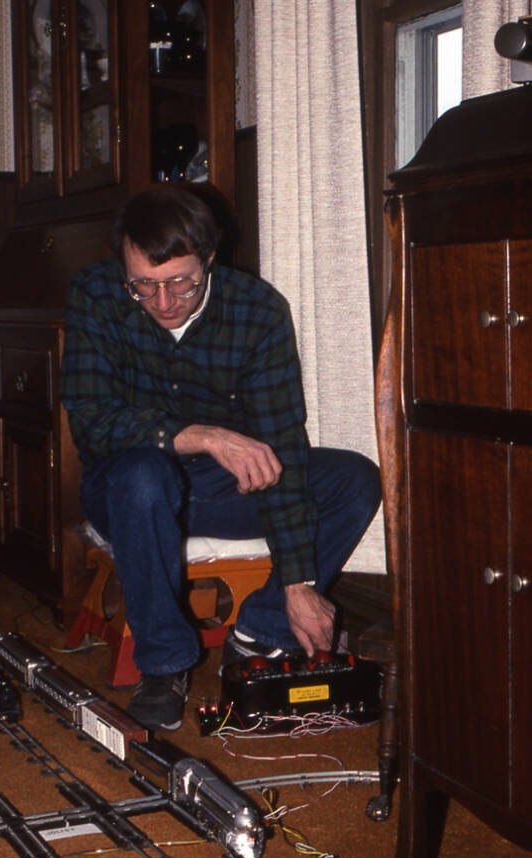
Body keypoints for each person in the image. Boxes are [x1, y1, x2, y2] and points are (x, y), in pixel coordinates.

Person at [60, 187, 380, 732]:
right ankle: (163, 666)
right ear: (125, 272)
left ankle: (261, 633)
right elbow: (91, 423)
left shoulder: (258, 313)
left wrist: (299, 582)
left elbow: (284, 451)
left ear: (209, 259)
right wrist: (203, 435)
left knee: (354, 479)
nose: (163, 302)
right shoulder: (96, 294)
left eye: (181, 282)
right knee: (143, 473)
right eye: (144, 285)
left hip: (215, 491)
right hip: (125, 486)